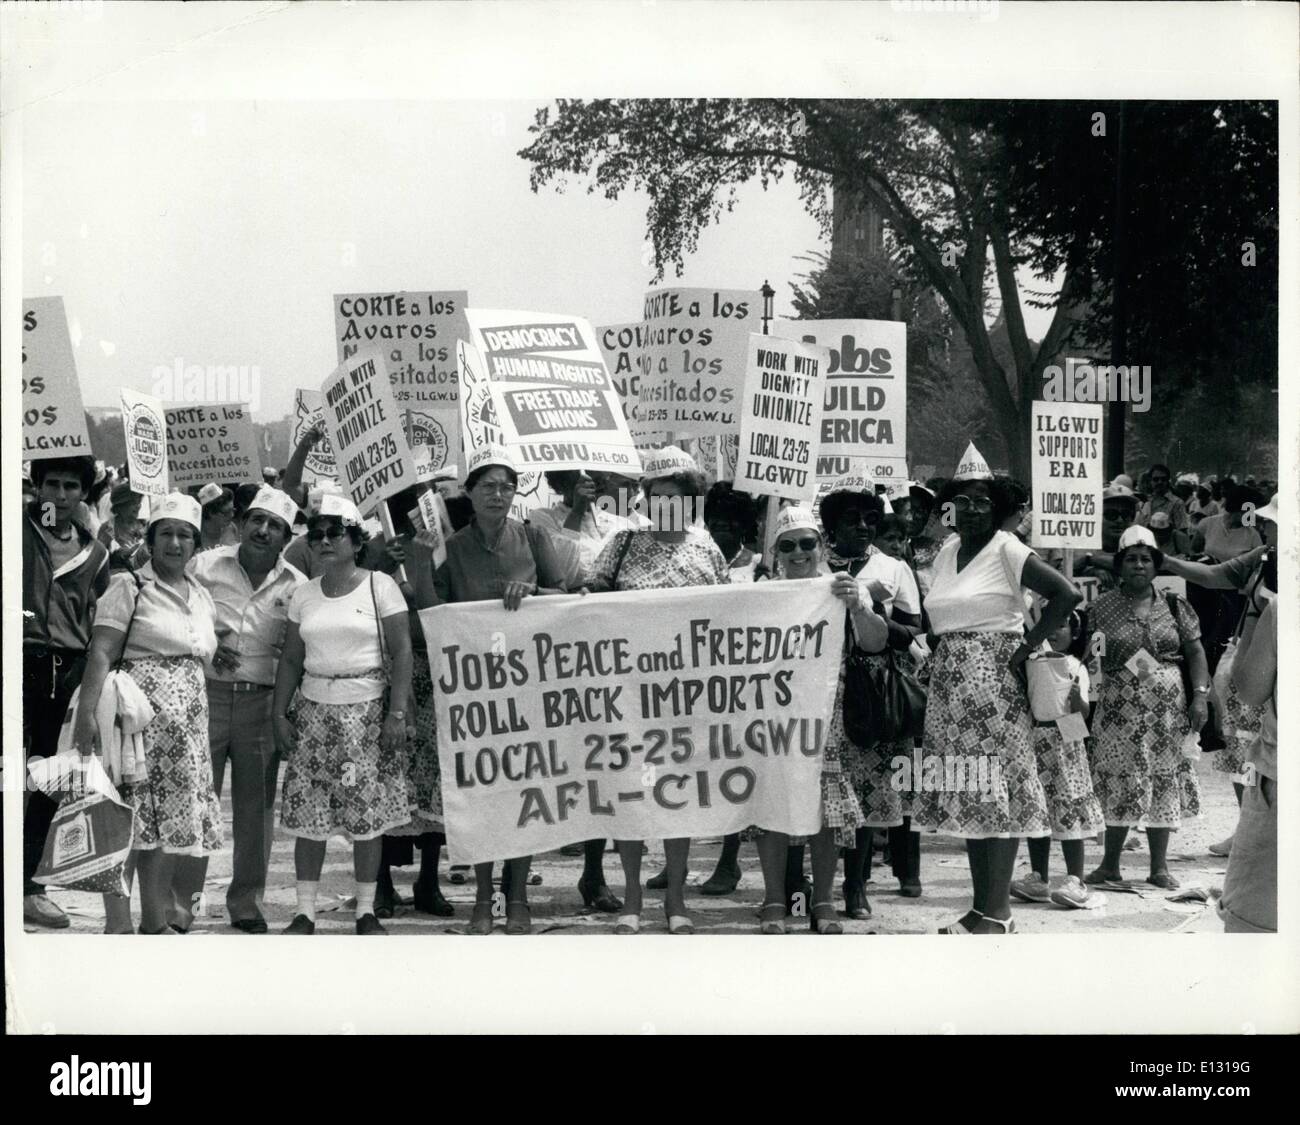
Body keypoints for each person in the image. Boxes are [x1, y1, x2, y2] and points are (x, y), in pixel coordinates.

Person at [910, 444, 1082, 934]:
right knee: (969, 793)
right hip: (950, 684)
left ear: (999, 507)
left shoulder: (1007, 547)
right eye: (962, 500)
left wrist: (1026, 646)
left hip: (993, 684)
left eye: (983, 500)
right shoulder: (946, 552)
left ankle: (1000, 912)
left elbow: (1064, 594)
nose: (971, 508)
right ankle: (981, 907)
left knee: (997, 792)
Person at [587, 445, 729, 934]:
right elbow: (588, 606)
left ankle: (675, 899)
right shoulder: (622, 544)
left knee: (677, 794)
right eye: (657, 495)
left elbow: (730, 617)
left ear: (693, 501)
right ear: (645, 499)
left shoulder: (707, 550)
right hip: (626, 695)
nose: (667, 504)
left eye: (678, 496)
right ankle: (631, 896)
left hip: (684, 696)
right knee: (631, 791)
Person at [432, 446, 570, 934]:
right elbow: (434, 609)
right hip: (471, 688)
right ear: (468, 493)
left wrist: (532, 593)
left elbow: (567, 596)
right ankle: (482, 897)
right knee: (483, 792)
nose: (498, 494)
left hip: (528, 682)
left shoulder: (534, 536)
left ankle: (517, 900)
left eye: (506, 486)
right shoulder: (449, 545)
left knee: (524, 789)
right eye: (487, 486)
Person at [71, 493, 224, 934]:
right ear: (151, 540)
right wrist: (86, 718)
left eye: (184, 536)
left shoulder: (199, 594)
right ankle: (118, 923)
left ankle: (154, 920)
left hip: (187, 732)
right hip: (134, 727)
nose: (175, 543)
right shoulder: (129, 586)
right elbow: (101, 653)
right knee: (124, 822)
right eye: (167, 534)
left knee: (164, 829)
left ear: (195, 544)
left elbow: (197, 650)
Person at [273, 494, 414, 935]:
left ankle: (366, 910)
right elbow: (292, 659)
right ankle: (305, 910)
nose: (325, 541)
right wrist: (280, 712)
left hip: (367, 713)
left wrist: (396, 713)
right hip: (314, 713)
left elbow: (403, 651)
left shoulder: (380, 586)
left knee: (367, 816)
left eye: (336, 533)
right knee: (309, 815)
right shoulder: (304, 594)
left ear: (357, 541)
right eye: (317, 535)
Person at [167, 486, 305, 934]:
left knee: (255, 809)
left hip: (262, 703)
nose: (263, 531)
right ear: (241, 523)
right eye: (257, 521)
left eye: (275, 526)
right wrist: (209, 639)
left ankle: (246, 902)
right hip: (205, 696)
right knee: (196, 801)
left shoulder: (297, 586)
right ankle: (183, 903)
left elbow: (298, 649)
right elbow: (171, 608)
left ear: (286, 537)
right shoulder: (203, 565)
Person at [754, 506, 886, 934]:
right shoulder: (757, 594)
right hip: (772, 715)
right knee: (773, 806)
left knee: (826, 814)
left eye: (807, 544)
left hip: (826, 715)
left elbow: (876, 641)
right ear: (775, 552)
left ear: (821, 547)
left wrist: (859, 609)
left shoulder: (842, 588)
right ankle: (778, 901)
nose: (799, 553)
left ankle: (824, 901)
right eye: (788, 545)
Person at [1084, 525, 1210, 890]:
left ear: (1156, 565)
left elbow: (1196, 652)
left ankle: (1158, 867)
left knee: (1163, 777)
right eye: (1131, 559)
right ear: (1119, 565)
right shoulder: (1100, 607)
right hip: (1118, 707)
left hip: (1166, 709)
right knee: (1117, 778)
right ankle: (1110, 865)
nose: (1139, 565)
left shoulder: (1174, 605)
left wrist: (1200, 694)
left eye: (1146, 559)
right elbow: (1091, 656)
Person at [821, 479, 924, 915]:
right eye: (851, 519)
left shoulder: (893, 568)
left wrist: (872, 611)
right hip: (817, 686)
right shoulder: (812, 562)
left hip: (870, 687)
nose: (862, 526)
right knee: (821, 787)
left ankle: (855, 884)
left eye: (870, 519)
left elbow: (914, 631)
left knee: (863, 787)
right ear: (830, 526)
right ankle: (803, 884)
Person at [22, 455, 111, 928]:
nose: (59, 495)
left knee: (46, 776)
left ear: (82, 494)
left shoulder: (95, 553)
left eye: (70, 487)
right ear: (36, 487)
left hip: (66, 668)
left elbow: (100, 614)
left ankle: (29, 888)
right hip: (17, 657)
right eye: (51, 485)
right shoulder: (14, 528)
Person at [1008, 612, 1105, 909]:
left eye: (1062, 625)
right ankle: (1039, 878)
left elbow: (1083, 714)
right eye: (1050, 624)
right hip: (1035, 737)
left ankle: (1076, 879)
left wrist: (1077, 700)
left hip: (1065, 739)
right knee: (1038, 810)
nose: (1055, 630)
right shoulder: (1030, 661)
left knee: (1069, 807)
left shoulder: (1077, 667)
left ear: (1074, 635)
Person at [1219, 595, 1276, 933]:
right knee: (1242, 770)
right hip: (1249, 738)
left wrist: (1257, 612)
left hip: (1273, 764)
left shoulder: (1280, 609)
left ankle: (1243, 823)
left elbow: (1251, 688)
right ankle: (1240, 823)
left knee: (1251, 925)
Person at [1190, 484, 1263, 563]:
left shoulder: (1253, 535)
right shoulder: (1207, 524)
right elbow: (1193, 551)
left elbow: (1259, 564)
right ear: (1239, 508)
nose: (1255, 516)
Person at [98, 479, 151, 573]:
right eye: (133, 503)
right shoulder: (108, 528)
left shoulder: (144, 525)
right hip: (118, 581)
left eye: (139, 502)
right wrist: (117, 557)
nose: (138, 506)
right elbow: (98, 561)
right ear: (120, 506)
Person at [1136, 464, 1188, 532]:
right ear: (1150, 481)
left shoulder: (1177, 503)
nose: (1159, 482)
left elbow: (1182, 530)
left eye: (1163, 479)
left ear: (1167, 481)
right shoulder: (1146, 502)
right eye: (1156, 479)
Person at [197, 483, 236, 552]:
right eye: (227, 513)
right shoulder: (196, 533)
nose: (232, 515)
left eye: (233, 510)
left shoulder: (231, 528)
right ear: (211, 513)